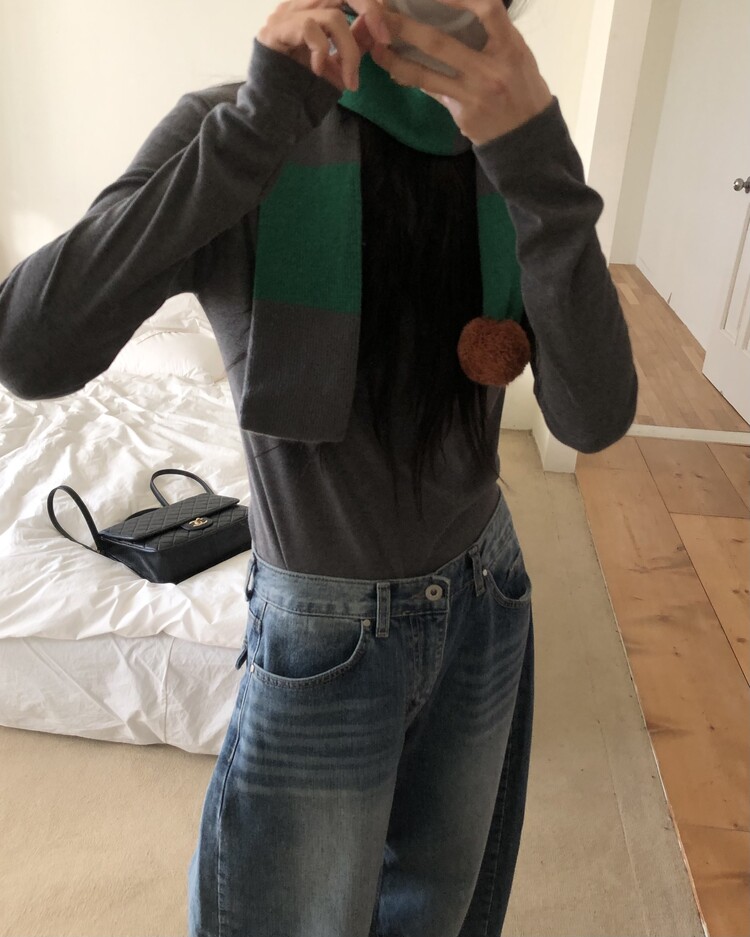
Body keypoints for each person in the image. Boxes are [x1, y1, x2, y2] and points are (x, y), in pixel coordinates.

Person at [0, 0, 638, 933]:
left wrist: (536, 152)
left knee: (439, 914)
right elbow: (29, 347)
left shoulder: (503, 140)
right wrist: (254, 126)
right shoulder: (242, 130)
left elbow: (593, 415)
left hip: (486, 598)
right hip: (324, 630)